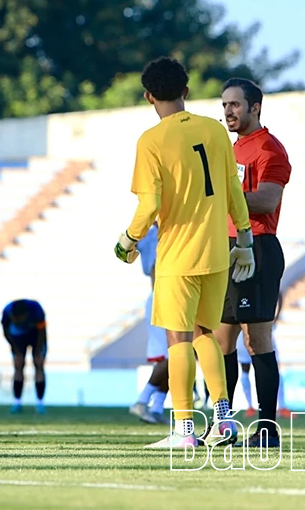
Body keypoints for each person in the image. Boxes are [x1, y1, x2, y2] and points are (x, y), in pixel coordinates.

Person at [113, 57, 255, 450]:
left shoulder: (151, 141)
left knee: (177, 340)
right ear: (186, 91)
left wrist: (127, 240)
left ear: (148, 96)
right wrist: (244, 238)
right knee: (205, 335)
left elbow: (149, 204)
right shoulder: (214, 130)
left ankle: (184, 431)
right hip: (217, 251)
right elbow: (232, 190)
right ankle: (224, 421)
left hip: (177, 254)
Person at [217, 77, 292, 448]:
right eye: (224, 105)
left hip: (257, 247)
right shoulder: (228, 150)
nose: (228, 111)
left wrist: (219, 198)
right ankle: (223, 423)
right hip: (226, 247)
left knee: (256, 338)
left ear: (254, 107)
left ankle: (267, 428)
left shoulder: (269, 149)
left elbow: (265, 201)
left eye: (235, 104)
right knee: (220, 339)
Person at [128, 223, 171, 424]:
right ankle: (142, 400)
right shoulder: (156, 233)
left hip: (168, 297)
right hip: (163, 298)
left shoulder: (151, 234)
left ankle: (156, 406)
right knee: (172, 355)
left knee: (179, 355)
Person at [1, 299, 48, 414]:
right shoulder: (7, 311)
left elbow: (42, 331)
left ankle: (40, 403)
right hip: (18, 338)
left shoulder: (37, 310)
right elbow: (6, 332)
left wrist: (38, 350)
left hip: (36, 335)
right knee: (18, 365)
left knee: (39, 364)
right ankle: (17, 403)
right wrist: (16, 350)